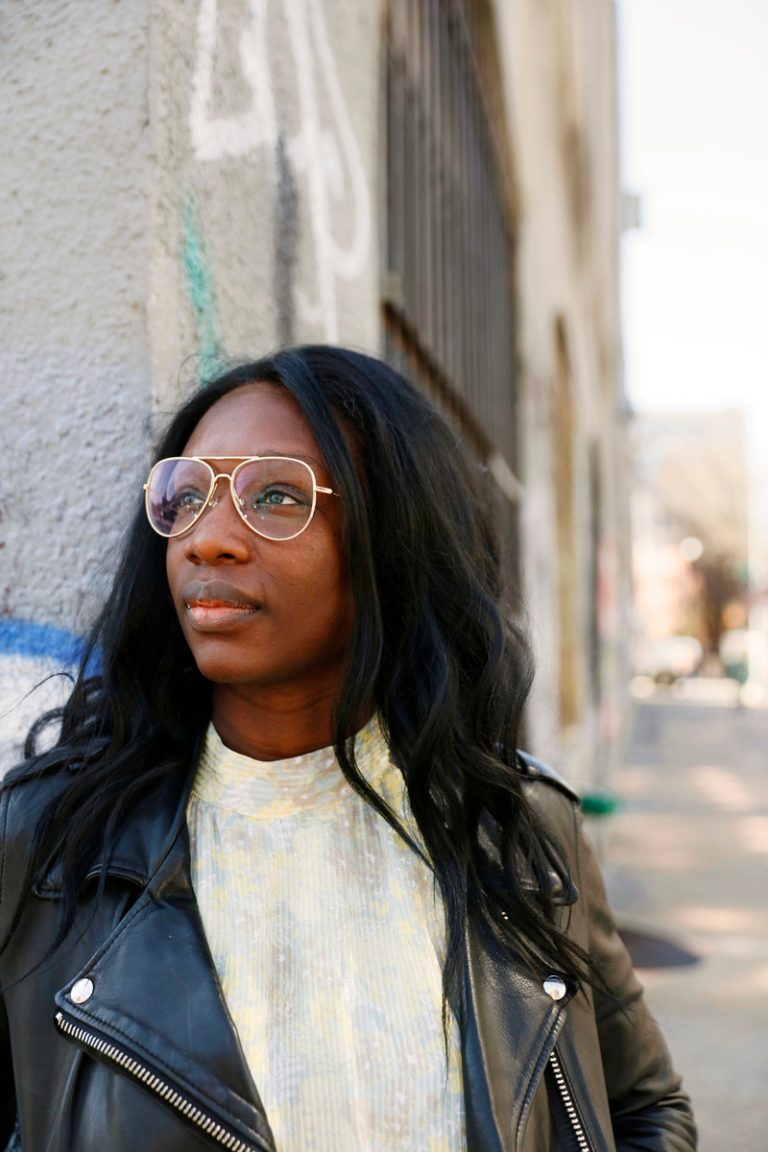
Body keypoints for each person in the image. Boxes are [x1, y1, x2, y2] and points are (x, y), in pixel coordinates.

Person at [0, 346, 696, 1152]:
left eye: (275, 496)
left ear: (392, 542)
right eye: (186, 498)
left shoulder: (522, 831)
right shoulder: (46, 845)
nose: (208, 540)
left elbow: (645, 1111)